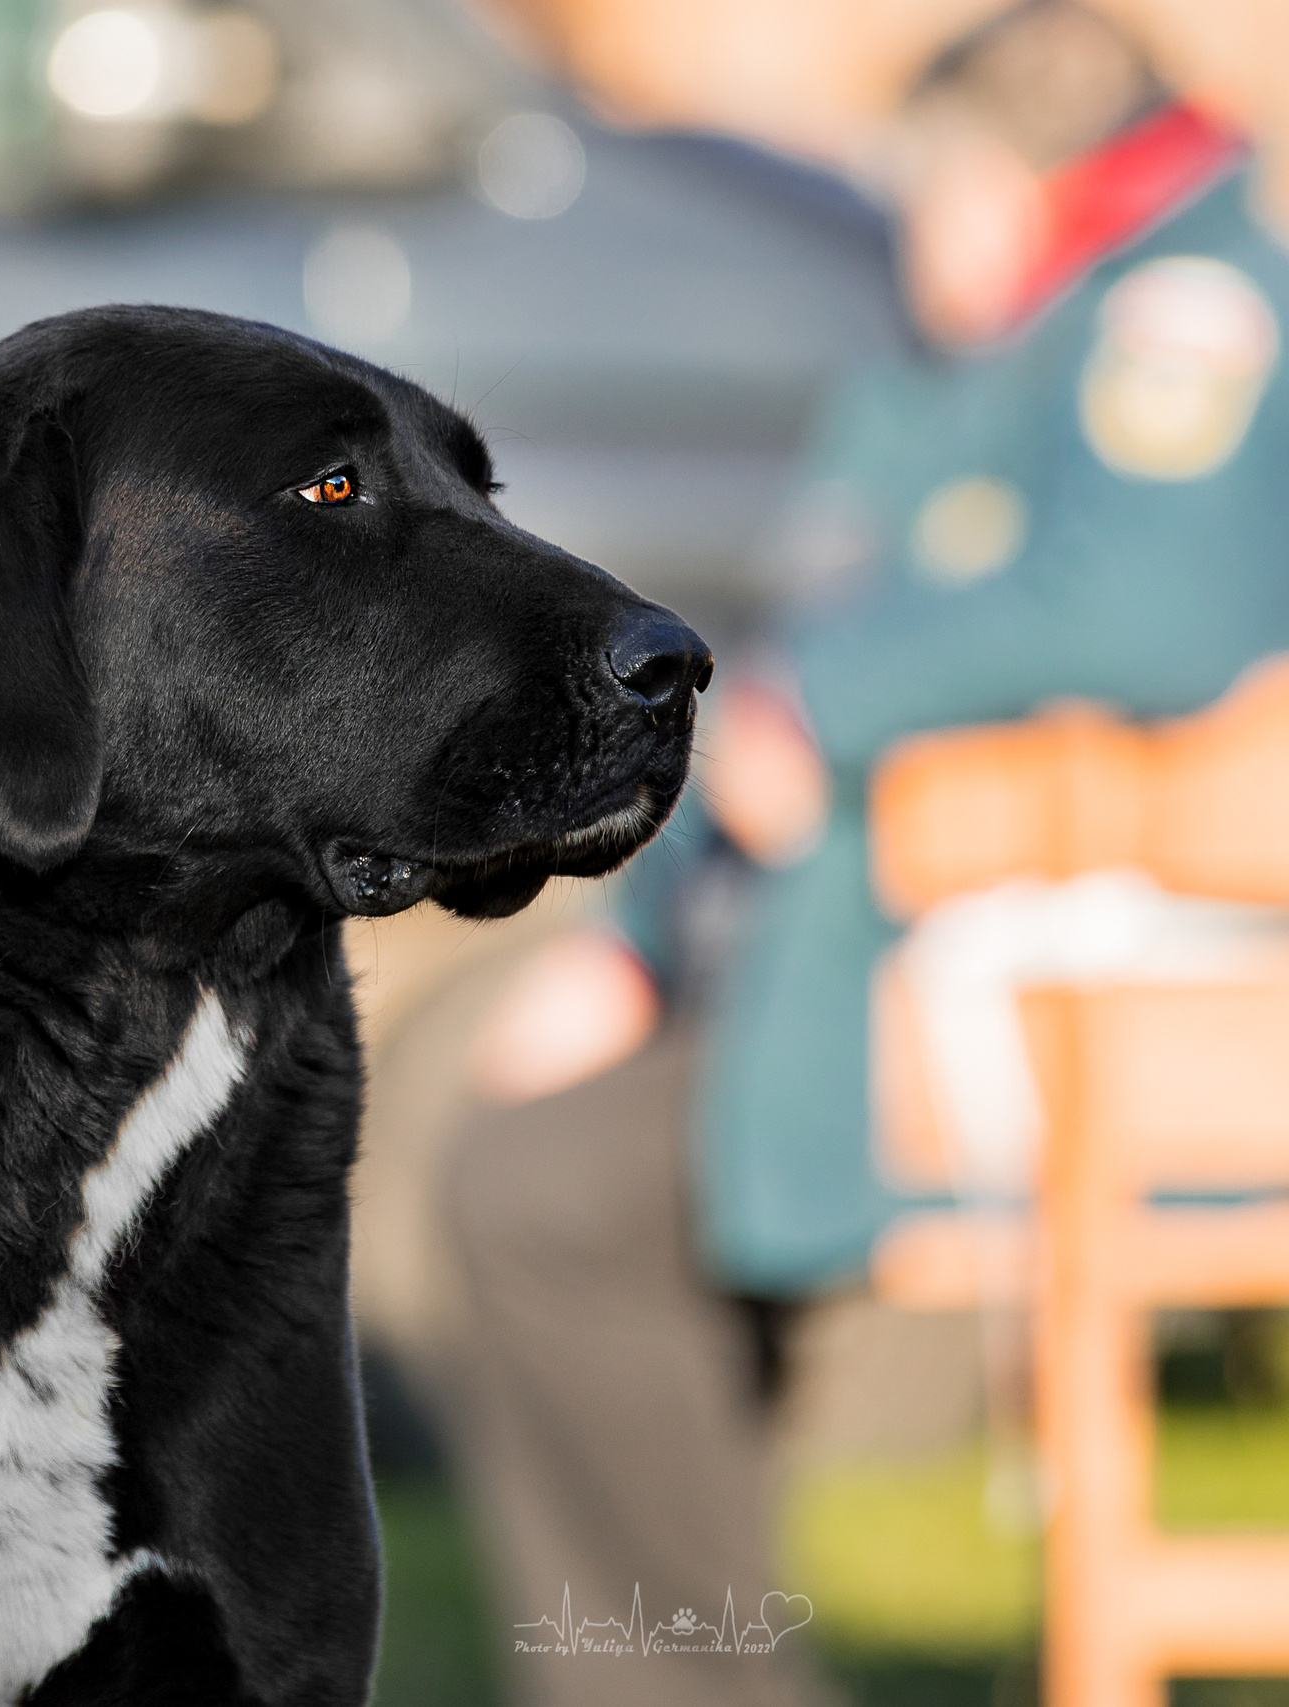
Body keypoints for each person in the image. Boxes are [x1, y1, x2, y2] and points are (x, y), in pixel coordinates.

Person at [443, 5, 1289, 1705]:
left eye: (936, 196)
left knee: (545, 1202)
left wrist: (829, 700)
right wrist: (633, 944)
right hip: (883, 938)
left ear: (1013, 171)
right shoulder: (1037, 319)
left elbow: (1145, 610)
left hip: (1068, 966)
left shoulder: (1174, 309)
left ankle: (690, 1684)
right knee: (542, 1182)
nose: (919, 242)